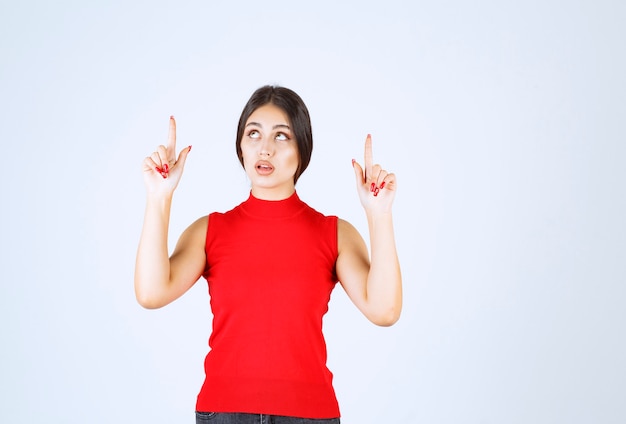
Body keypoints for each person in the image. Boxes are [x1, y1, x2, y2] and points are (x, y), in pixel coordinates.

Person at [134, 85, 402, 424]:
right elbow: (151, 293)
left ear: (302, 150)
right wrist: (159, 197)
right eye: (253, 134)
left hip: (309, 415)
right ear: (241, 147)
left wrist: (379, 214)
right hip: (224, 414)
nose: (265, 148)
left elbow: (385, 310)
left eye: (281, 137)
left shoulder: (334, 233)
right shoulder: (209, 231)